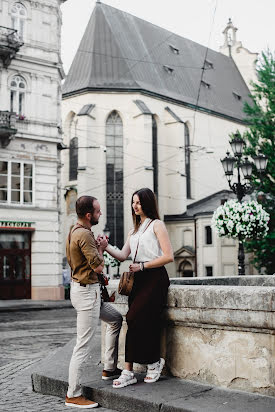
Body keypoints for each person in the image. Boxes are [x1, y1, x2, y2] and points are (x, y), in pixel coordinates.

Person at [103, 187, 173, 388]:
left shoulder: (156, 225)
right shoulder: (133, 230)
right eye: (133, 202)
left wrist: (143, 265)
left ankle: (154, 362)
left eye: (139, 202)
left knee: (140, 319)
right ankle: (128, 371)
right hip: (138, 279)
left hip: (155, 277)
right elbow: (123, 255)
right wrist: (105, 246)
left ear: (147, 203)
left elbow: (168, 256)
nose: (135, 206)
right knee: (132, 321)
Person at [65, 195, 122, 409]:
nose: (100, 214)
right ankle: (73, 393)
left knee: (115, 318)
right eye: (98, 211)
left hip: (83, 290)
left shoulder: (73, 230)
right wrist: (103, 246)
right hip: (87, 293)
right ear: (89, 215)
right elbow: (98, 267)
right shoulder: (85, 234)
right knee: (83, 344)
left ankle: (109, 367)